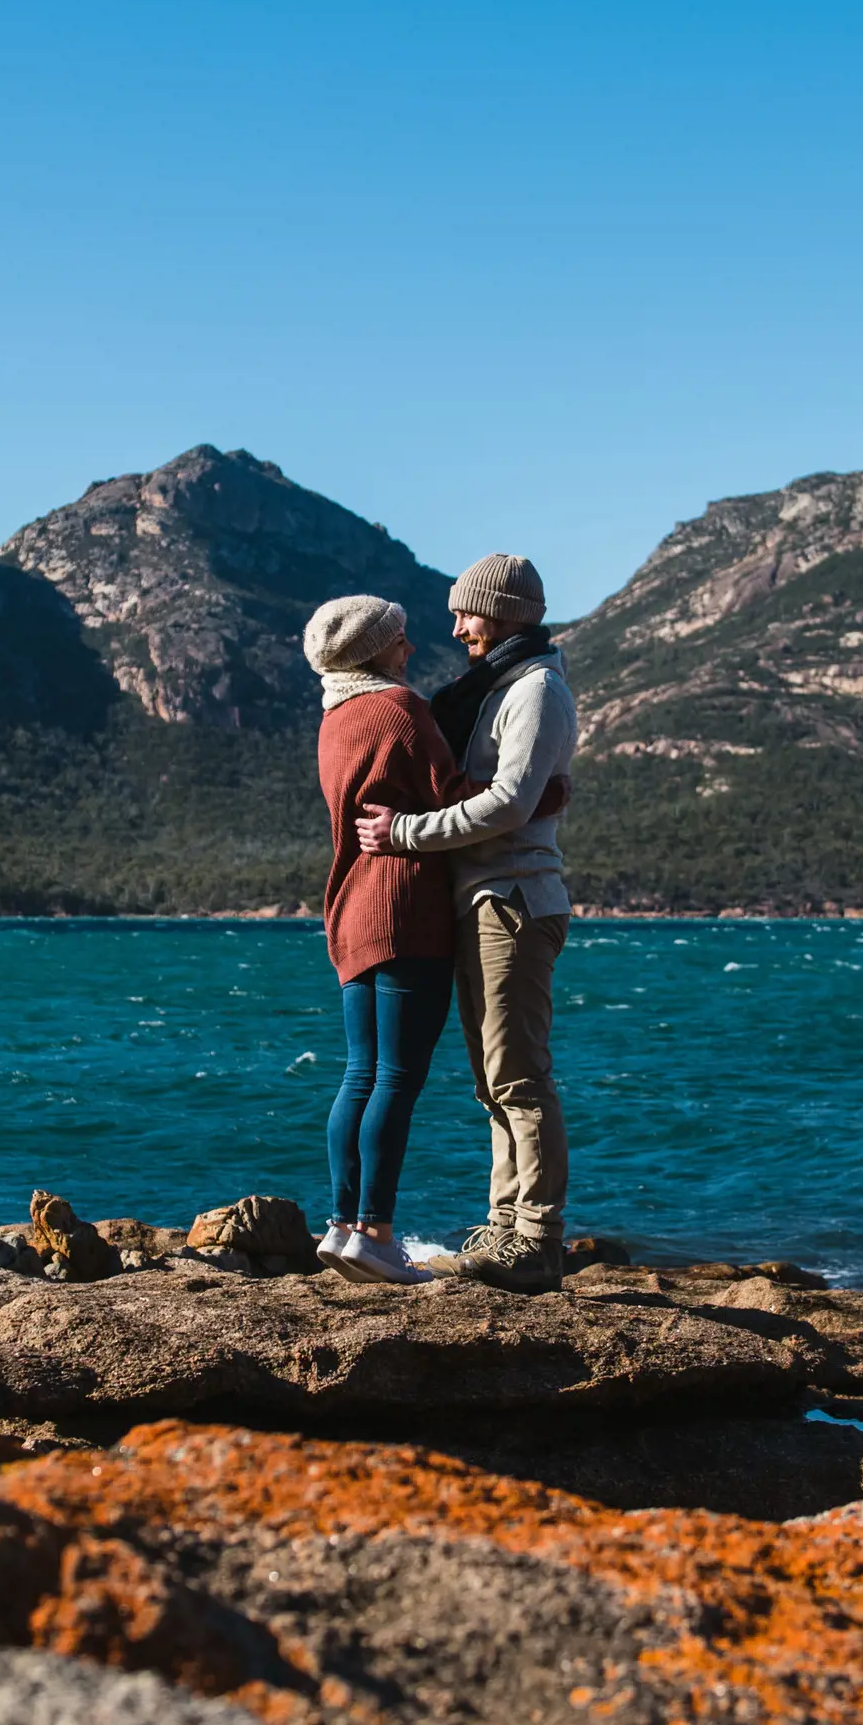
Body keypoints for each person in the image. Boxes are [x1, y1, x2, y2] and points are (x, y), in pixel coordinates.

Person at [354, 553, 576, 1295]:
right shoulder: (495, 687)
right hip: (482, 899)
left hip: (513, 898)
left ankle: (537, 1241)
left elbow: (512, 801)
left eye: (467, 613)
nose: (455, 627)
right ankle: (504, 1225)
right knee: (491, 1082)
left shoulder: (536, 689)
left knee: (517, 1076)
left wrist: (405, 833)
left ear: (507, 611)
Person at [304, 593, 461, 1285]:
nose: (410, 647)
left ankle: (341, 1227)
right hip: (405, 905)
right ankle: (377, 1232)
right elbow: (453, 794)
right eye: (400, 636)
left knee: (359, 1072)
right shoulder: (399, 708)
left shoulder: (334, 716)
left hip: (350, 907)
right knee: (397, 1075)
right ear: (376, 649)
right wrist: (544, 793)